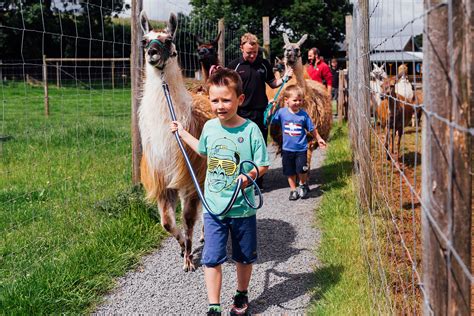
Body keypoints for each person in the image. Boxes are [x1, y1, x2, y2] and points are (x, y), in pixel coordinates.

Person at [170, 67, 270, 316]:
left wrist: (250, 176)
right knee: (212, 258)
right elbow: (203, 150)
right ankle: (213, 305)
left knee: (244, 256)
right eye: (215, 100)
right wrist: (181, 133)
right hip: (214, 208)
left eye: (226, 99)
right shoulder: (211, 128)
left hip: (242, 208)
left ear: (240, 100)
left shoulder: (250, 131)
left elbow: (263, 163)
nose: (220, 105)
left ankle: (241, 293)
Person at [228, 33, 292, 190]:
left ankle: (258, 182)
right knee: (240, 147)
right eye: (249, 52)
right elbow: (226, 87)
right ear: (241, 48)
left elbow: (272, 83)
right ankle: (240, 181)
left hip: (260, 113)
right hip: (240, 113)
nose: (252, 55)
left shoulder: (263, 64)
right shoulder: (234, 66)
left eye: (255, 52)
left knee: (259, 146)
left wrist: (284, 79)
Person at [271, 84, 327, 200]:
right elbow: (272, 121)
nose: (298, 103)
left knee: (302, 169)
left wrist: (319, 138)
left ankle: (302, 184)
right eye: (295, 100)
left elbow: (311, 128)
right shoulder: (281, 113)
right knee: (289, 171)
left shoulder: (303, 115)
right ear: (286, 101)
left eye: (300, 100)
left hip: (301, 148)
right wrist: (271, 107)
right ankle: (293, 190)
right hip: (287, 149)